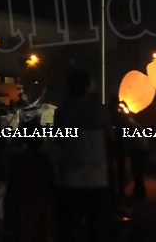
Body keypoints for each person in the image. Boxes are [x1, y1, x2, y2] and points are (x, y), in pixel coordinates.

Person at [52, 69, 112, 242]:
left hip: (70, 175)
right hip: (97, 176)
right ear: (88, 86)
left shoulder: (62, 112)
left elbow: (59, 139)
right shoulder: (99, 110)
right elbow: (110, 136)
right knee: (97, 225)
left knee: (71, 225)